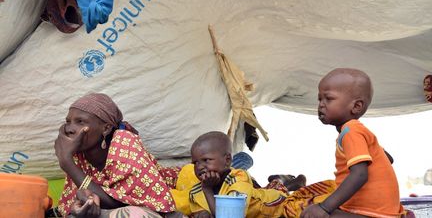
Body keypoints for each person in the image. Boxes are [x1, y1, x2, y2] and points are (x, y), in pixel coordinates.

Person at [54, 93, 182, 218]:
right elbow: (77, 204)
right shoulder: (78, 154)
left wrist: (66, 162)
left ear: (106, 128)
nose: (70, 128)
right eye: (68, 121)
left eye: (80, 122)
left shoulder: (124, 143)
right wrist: (84, 202)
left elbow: (120, 204)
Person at [301, 68, 405, 218]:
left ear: (356, 106)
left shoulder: (351, 132)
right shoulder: (357, 131)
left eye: (329, 98)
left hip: (374, 214)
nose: (321, 105)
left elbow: (360, 175)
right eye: (320, 99)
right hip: (382, 211)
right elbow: (388, 159)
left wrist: (324, 208)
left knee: (312, 213)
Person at [182, 131, 335, 218]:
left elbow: (227, 216)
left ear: (227, 160)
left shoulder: (238, 177)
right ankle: (281, 180)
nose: (200, 167)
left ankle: (288, 181)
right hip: (255, 200)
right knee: (269, 187)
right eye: (195, 163)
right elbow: (201, 213)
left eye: (206, 160)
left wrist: (208, 190)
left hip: (274, 205)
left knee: (292, 199)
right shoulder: (196, 191)